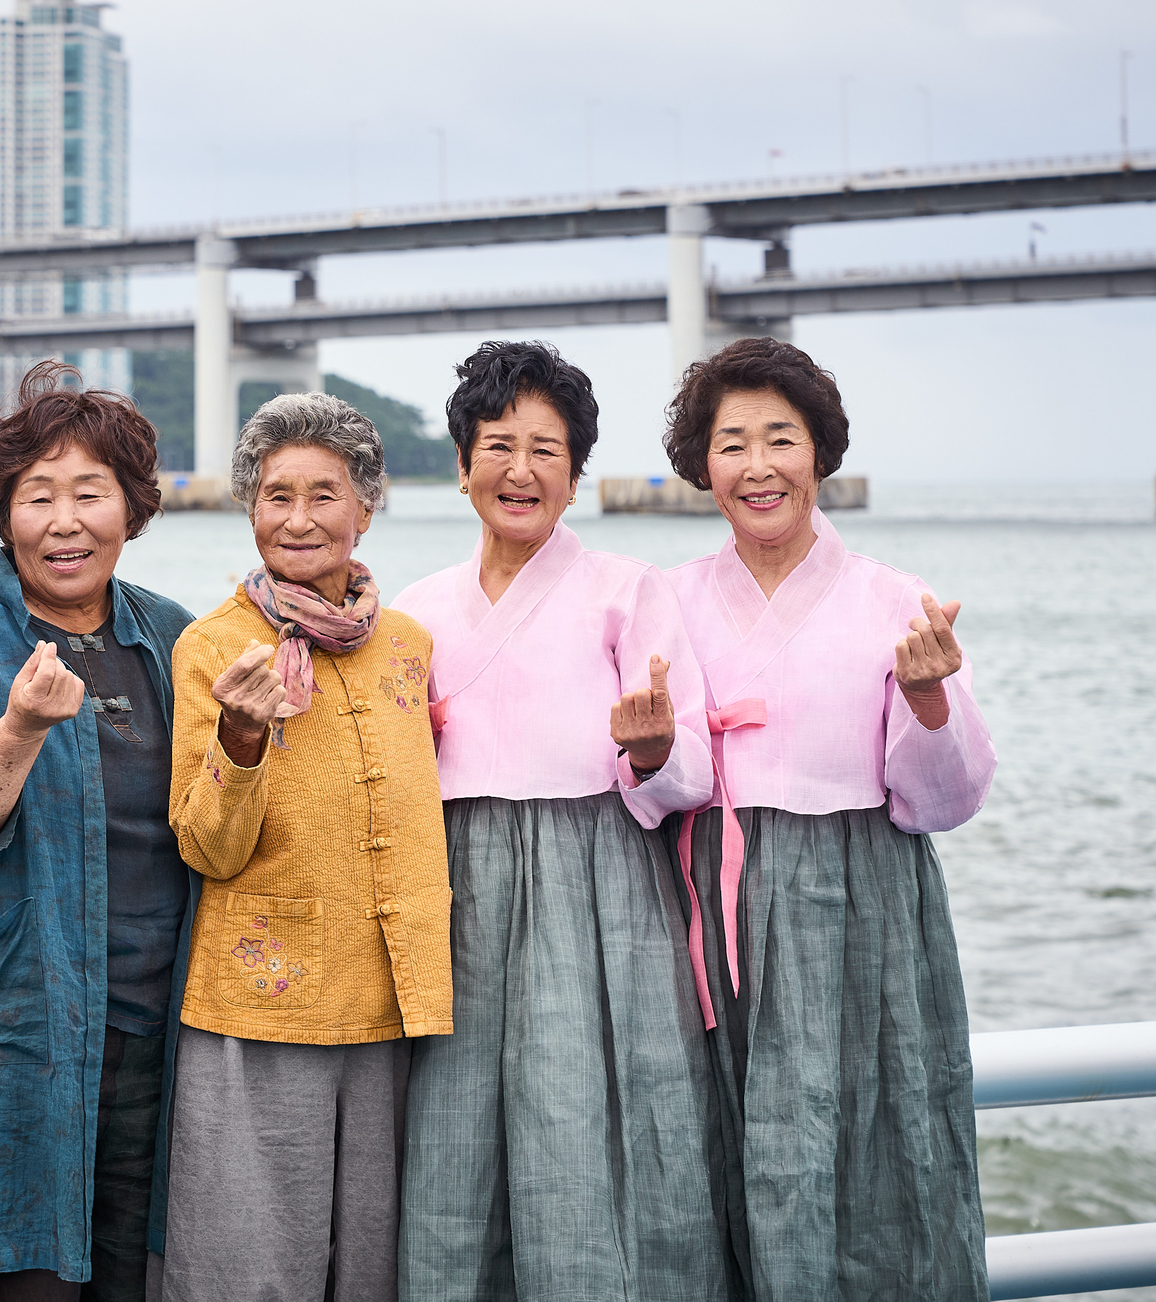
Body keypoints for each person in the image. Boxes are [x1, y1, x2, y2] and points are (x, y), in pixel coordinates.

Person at [394, 340, 733, 1301]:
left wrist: (652, 750)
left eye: (547, 450)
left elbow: (690, 777)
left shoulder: (630, 591)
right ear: (461, 468)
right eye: (498, 446)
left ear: (575, 477)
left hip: (599, 887)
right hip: (456, 889)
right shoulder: (415, 615)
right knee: (451, 1131)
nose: (520, 470)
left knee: (589, 1121)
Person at [660, 337, 995, 1301]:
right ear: (700, 464)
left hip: (862, 902)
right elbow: (654, 781)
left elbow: (942, 800)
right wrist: (645, 752)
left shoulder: (895, 601)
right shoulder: (669, 600)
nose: (757, 467)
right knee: (718, 1146)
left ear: (820, 452)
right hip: (709, 903)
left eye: (781, 439)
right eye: (731, 444)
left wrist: (928, 700)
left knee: (876, 1138)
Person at [0, 363, 195, 1302]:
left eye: (90, 494)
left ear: (131, 509)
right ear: (3, 514)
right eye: (38, 497)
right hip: (12, 1031)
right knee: (15, 1280)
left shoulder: (176, 638)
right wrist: (18, 729)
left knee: (127, 1277)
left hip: (156, 1031)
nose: (65, 523)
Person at [159, 392, 452, 1302]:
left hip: (390, 996)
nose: (298, 518)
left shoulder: (407, 644)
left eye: (324, 495)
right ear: (249, 509)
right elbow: (205, 846)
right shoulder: (212, 648)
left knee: (371, 1269)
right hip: (261, 998)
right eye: (275, 495)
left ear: (364, 509)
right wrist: (241, 741)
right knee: (248, 1265)